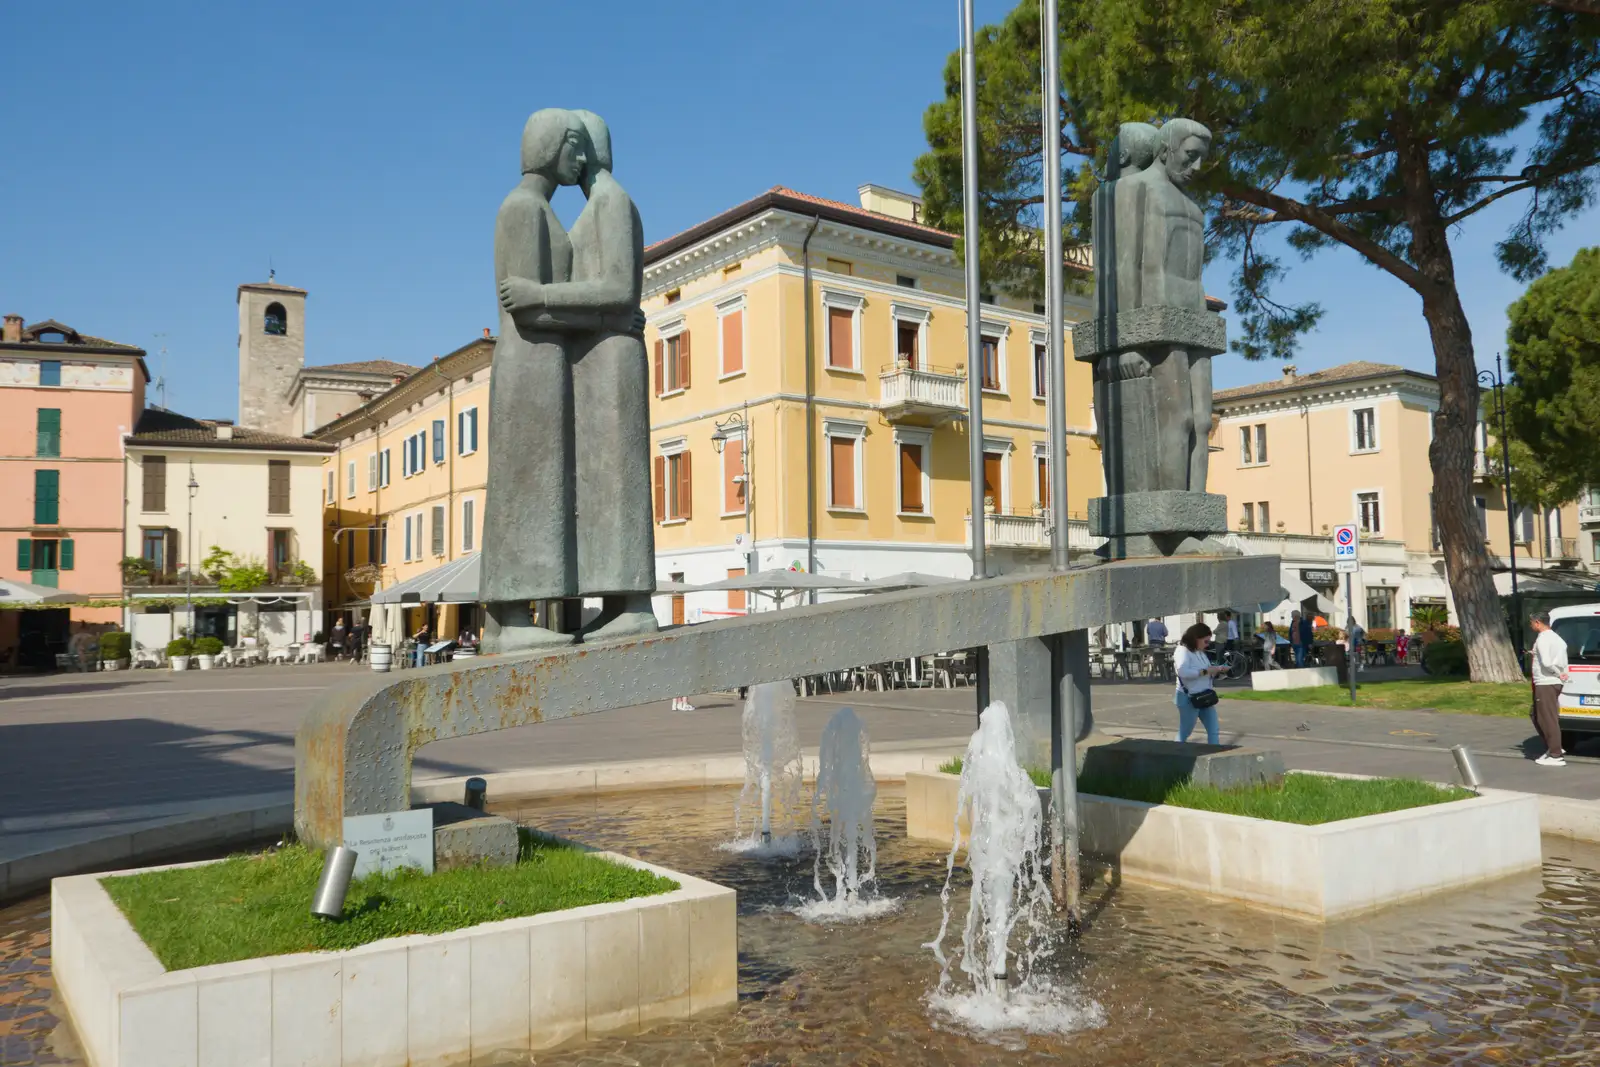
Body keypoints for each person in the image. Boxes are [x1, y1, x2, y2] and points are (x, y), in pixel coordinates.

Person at [1173, 623, 1228, 744]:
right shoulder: (1182, 651)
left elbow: (1206, 669)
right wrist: (1206, 671)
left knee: (1214, 730)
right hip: (1189, 697)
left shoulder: (1199, 652)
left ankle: (1214, 755)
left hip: (1205, 695)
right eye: (1206, 641)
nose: (1207, 645)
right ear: (1196, 638)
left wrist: (1217, 669)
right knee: (1185, 732)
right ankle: (1175, 754)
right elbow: (1183, 672)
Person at [1530, 611, 1570, 767]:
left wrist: (1559, 673)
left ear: (1538, 622)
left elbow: (1547, 662)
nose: (1531, 625)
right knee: (1536, 714)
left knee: (1547, 718)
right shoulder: (1557, 638)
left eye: (1532, 623)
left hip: (1546, 682)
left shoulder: (1543, 638)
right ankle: (1555, 746)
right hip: (1552, 682)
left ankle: (1555, 754)